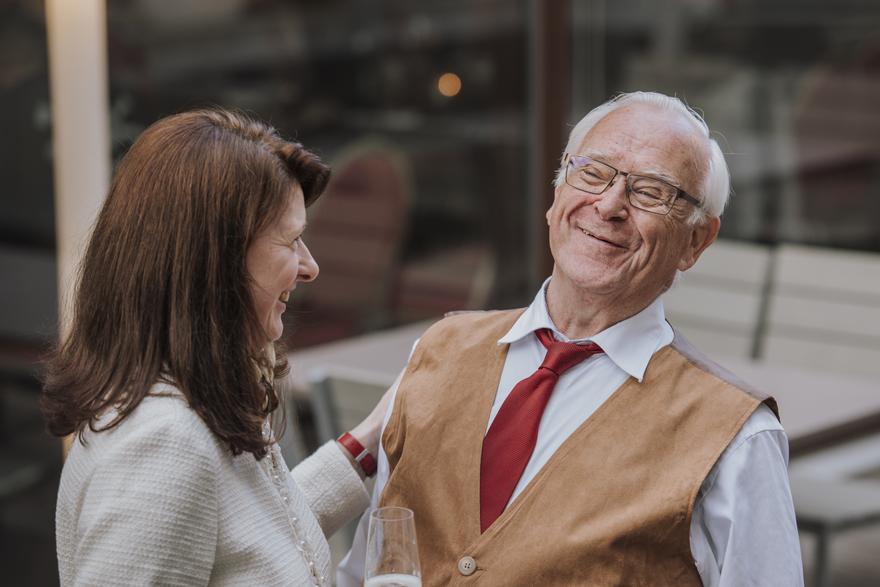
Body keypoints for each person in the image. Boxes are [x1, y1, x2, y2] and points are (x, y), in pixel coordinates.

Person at [339, 91, 803, 586]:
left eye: (649, 191)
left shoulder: (737, 439)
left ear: (695, 241)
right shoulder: (436, 352)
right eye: (592, 172)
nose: (608, 205)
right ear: (557, 192)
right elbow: (369, 567)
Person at [42, 108, 390, 586]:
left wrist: (371, 438)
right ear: (217, 262)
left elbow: (253, 544)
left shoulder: (195, 398)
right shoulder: (164, 448)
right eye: (290, 240)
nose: (309, 267)